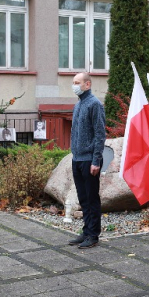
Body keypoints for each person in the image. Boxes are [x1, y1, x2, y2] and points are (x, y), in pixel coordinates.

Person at [68, 72, 106, 249]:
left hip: (90, 160)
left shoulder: (95, 105)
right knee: (83, 198)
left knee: (92, 199)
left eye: (77, 82)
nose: (74, 85)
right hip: (77, 159)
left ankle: (93, 235)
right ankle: (86, 231)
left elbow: (100, 134)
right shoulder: (78, 105)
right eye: (73, 82)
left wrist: (96, 160)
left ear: (87, 85)